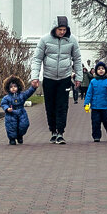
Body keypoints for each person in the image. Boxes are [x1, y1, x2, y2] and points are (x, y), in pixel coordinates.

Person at [30, 15, 82, 145]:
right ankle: (52, 130)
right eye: (60, 29)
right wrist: (35, 77)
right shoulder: (44, 40)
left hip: (64, 78)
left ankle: (60, 132)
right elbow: (37, 59)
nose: (62, 32)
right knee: (50, 105)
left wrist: (79, 77)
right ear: (55, 28)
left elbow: (77, 59)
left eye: (64, 29)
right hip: (49, 78)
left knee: (62, 105)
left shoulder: (72, 40)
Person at [83, 60, 107, 142]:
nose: (101, 70)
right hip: (95, 106)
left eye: (102, 68)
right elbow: (89, 93)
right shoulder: (93, 81)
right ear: (96, 71)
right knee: (95, 122)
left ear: (105, 70)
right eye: (99, 69)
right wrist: (86, 103)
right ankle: (96, 136)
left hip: (105, 106)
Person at [1, 75, 37, 146]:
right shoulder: (7, 97)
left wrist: (33, 87)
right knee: (11, 126)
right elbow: (3, 103)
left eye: (15, 86)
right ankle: (12, 139)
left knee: (24, 124)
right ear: (8, 88)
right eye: (11, 87)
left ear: (18, 87)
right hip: (11, 113)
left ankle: (20, 135)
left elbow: (28, 92)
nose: (13, 88)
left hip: (21, 112)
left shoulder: (22, 95)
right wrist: (7, 108)